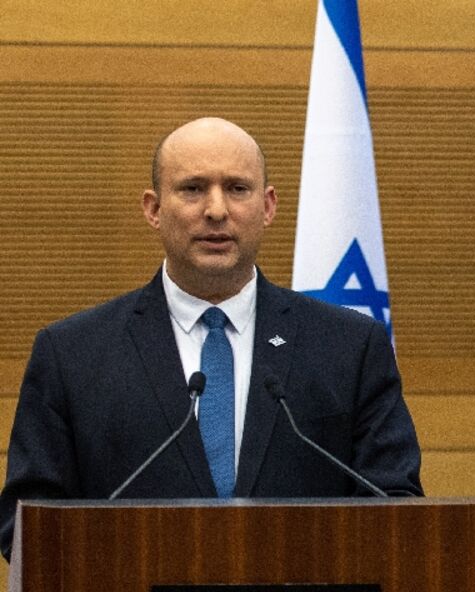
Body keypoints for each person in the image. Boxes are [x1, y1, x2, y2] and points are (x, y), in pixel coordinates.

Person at [0, 117, 422, 560]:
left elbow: (394, 504)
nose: (217, 210)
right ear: (153, 209)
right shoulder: (73, 355)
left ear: (268, 206)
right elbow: (27, 524)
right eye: (193, 189)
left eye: (237, 189)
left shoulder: (349, 346)